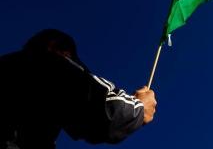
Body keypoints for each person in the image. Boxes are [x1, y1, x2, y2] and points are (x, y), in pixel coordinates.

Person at [0, 29, 157, 149]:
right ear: (58, 50)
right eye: (71, 59)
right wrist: (139, 106)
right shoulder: (47, 65)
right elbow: (103, 110)